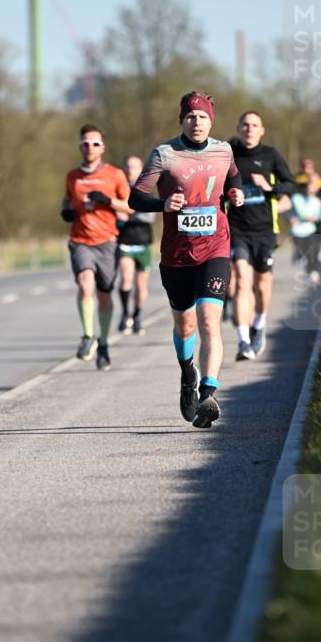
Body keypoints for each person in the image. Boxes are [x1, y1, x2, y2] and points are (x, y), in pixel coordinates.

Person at [128, 91, 244, 428]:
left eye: (203, 117)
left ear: (211, 121)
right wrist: (161, 205)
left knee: (210, 320)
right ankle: (187, 372)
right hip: (177, 255)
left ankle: (208, 394)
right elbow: (136, 198)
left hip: (215, 248)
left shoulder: (224, 150)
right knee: (185, 324)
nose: (197, 122)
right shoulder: (164, 154)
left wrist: (235, 193)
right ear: (182, 120)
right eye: (191, 117)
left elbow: (233, 178)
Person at [61, 124, 132, 370]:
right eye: (85, 143)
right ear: (80, 146)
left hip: (107, 242)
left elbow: (131, 206)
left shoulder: (115, 174)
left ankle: (103, 342)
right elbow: (68, 198)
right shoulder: (73, 176)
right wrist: (66, 210)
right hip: (81, 241)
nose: (89, 147)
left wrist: (107, 201)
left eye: (95, 143)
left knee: (104, 296)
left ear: (103, 147)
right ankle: (87, 335)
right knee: (85, 283)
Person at [227, 111, 295, 360]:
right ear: (238, 127)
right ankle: (244, 341)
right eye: (245, 124)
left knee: (262, 285)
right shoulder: (229, 155)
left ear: (262, 130)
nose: (249, 129)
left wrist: (270, 187)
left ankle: (259, 324)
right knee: (242, 281)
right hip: (237, 229)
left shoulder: (271, 155)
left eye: (254, 125)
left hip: (266, 229)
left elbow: (290, 184)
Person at [117, 154, 156, 335]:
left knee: (141, 287)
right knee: (125, 278)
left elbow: (150, 216)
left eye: (133, 167)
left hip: (143, 242)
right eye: (127, 166)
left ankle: (138, 315)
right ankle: (125, 314)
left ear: (141, 170)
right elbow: (113, 213)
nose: (129, 170)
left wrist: (128, 211)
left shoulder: (146, 190)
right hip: (124, 241)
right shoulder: (119, 189)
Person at [288, 180, 321, 285]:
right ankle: (298, 257)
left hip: (310, 230)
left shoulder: (316, 200)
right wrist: (307, 217)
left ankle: (313, 273)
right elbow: (301, 213)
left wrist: (314, 217)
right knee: (303, 254)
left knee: (313, 252)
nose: (312, 191)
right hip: (297, 231)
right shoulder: (296, 198)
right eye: (310, 189)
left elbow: (318, 215)